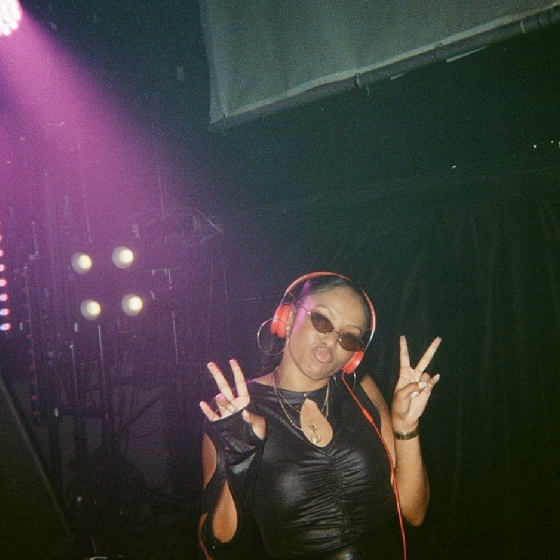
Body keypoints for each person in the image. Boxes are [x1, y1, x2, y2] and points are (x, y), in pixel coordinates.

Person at [198, 272, 441, 560]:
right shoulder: (236, 408)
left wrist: (406, 426)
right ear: (286, 319)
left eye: (349, 337)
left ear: (355, 356)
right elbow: (216, 547)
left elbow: (414, 513)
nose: (331, 341)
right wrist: (239, 463)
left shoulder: (361, 390)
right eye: (322, 320)